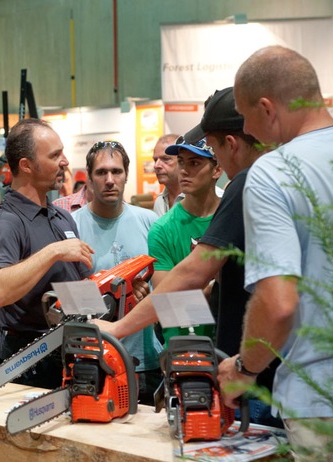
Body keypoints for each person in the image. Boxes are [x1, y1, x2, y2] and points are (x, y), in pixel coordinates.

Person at [93, 87, 280, 425]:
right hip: (263, 365)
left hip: (256, 373)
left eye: (204, 158)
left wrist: (118, 327)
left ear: (228, 149)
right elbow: (177, 296)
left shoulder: (248, 184)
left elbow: (190, 274)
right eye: (182, 162)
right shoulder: (281, 175)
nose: (184, 170)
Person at [216, 46, 333, 462]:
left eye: (244, 115)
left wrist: (243, 368)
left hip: (328, 405)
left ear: (267, 108)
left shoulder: (273, 173)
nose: (244, 127)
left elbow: (278, 304)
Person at [0, 118, 95, 390]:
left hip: (73, 349)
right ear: (26, 165)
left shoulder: (62, 218)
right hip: (31, 360)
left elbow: (79, 289)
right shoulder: (7, 223)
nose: (65, 161)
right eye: (55, 155)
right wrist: (53, 252)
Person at [70, 140, 161, 405]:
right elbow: (68, 300)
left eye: (116, 172)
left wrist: (145, 292)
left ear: (126, 175)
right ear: (88, 178)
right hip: (92, 359)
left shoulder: (150, 223)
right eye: (101, 173)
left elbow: (164, 288)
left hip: (146, 361)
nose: (110, 180)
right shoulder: (72, 227)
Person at [147, 136, 222, 344]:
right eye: (181, 162)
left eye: (195, 163)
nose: (184, 171)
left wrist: (191, 293)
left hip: (232, 348)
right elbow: (167, 307)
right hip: (183, 350)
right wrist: (213, 290)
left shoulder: (233, 218)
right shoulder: (162, 229)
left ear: (217, 170)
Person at [151, 134, 180, 216]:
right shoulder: (159, 201)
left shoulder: (204, 199)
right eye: (155, 159)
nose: (156, 165)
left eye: (166, 159)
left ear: (182, 161)